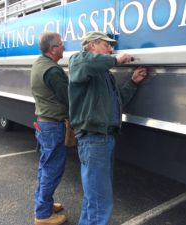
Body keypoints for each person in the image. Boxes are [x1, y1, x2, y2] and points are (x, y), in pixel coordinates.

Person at [68, 31, 148, 225]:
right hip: (94, 139)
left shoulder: (103, 75)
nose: (111, 49)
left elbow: (117, 100)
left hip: (105, 138)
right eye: (106, 45)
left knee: (94, 196)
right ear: (92, 45)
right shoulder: (78, 61)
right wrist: (116, 60)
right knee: (100, 200)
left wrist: (132, 82)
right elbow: (85, 63)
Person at [30, 32, 68, 225]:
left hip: (43, 123)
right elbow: (68, 97)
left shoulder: (39, 63)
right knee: (52, 168)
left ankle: (44, 204)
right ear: (53, 49)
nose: (64, 47)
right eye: (61, 45)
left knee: (45, 166)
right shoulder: (52, 71)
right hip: (52, 125)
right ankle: (43, 215)